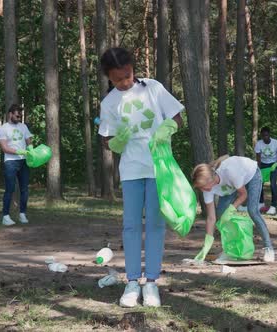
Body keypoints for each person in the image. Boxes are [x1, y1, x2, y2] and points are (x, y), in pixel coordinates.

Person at [98, 47, 184, 308]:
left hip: (159, 167)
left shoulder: (153, 88)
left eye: (127, 75)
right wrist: (115, 143)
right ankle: (132, 282)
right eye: (118, 79)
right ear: (109, 78)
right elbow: (105, 138)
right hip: (132, 170)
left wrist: (167, 128)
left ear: (133, 68)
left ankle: (152, 282)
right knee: (131, 226)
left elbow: (177, 118)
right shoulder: (109, 102)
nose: (124, 82)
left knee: (156, 225)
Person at [191, 155, 275, 263]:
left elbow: (243, 194)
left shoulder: (229, 172)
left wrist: (231, 209)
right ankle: (230, 251)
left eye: (203, 186)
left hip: (251, 175)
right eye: (200, 187)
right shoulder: (207, 188)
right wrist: (206, 244)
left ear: (210, 180)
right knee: (221, 213)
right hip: (231, 185)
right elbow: (211, 218)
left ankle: (269, 248)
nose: (202, 189)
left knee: (253, 211)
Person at [0, 104, 33, 226]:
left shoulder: (23, 127)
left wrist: (31, 150)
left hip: (24, 161)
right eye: (17, 115)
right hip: (10, 162)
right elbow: (4, 148)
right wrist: (18, 151)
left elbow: (29, 141)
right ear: (10, 114)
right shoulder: (3, 128)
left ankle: (22, 214)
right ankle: (5, 216)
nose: (19, 117)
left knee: (24, 189)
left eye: (20, 116)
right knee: (10, 189)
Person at [254, 127, 277, 215]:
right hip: (263, 165)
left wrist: (276, 164)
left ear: (269, 135)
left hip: (273, 165)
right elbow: (258, 158)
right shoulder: (259, 144)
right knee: (260, 184)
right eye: (263, 136)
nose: (265, 137)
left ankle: (273, 206)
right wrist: (258, 168)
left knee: (273, 185)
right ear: (261, 136)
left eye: (266, 135)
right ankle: (261, 203)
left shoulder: (276, 143)